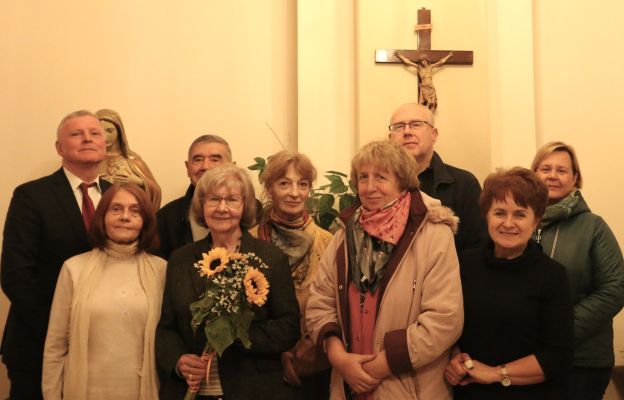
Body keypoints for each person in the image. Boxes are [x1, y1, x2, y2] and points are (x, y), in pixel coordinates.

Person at [306, 140, 463, 399]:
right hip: (349, 385)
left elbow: (445, 319)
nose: (369, 187)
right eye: (363, 177)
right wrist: (340, 358)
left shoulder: (434, 234)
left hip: (409, 388)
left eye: (381, 177)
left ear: (402, 181)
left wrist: (379, 367)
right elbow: (319, 304)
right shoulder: (344, 236)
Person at [156, 164, 301, 399]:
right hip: (193, 391)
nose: (222, 208)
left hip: (253, 390)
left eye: (232, 200)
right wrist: (178, 360)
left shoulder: (271, 258)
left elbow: (289, 327)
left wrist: (233, 333)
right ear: (201, 205)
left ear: (244, 206)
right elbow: (166, 328)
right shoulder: (180, 259)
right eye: (214, 199)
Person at [0, 110, 111, 399]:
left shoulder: (120, 197)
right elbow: (16, 276)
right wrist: (62, 330)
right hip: (38, 343)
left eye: (94, 133)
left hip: (105, 347)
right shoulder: (31, 196)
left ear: (105, 145)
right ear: (59, 148)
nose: (87, 138)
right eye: (76, 134)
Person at [446, 167, 574, 400]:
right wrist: (454, 356)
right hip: (468, 391)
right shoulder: (465, 263)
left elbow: (559, 356)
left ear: (536, 220)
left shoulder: (553, 276)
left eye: (520, 214)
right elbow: (451, 324)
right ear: (486, 216)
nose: (508, 223)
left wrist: (496, 373)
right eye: (499, 212)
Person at [42, 183, 166, 399]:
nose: (124, 217)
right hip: (85, 391)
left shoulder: (161, 270)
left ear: (145, 221)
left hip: (143, 392)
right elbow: (55, 346)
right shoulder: (74, 268)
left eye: (135, 211)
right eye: (116, 209)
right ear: (102, 217)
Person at [530, 141, 624, 400]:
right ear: (533, 175)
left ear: (575, 178)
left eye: (561, 170)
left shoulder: (593, 226)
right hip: (528, 360)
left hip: (582, 361)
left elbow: (616, 288)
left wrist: (562, 328)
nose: (552, 175)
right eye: (545, 168)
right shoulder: (518, 223)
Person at [249, 150, 333, 399]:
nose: (294, 193)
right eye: (284, 183)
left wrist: (312, 345)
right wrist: (279, 352)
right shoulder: (249, 242)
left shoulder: (329, 242)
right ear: (269, 188)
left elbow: (337, 306)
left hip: (316, 366)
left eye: (303, 184)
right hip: (263, 369)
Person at [388, 102, 486, 253]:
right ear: (390, 138)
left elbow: (478, 249)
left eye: (416, 124)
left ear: (434, 134)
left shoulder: (464, 184)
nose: (407, 131)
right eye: (399, 126)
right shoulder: (376, 186)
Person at [156, 134, 232, 259]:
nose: (205, 167)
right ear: (187, 167)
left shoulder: (252, 211)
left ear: (231, 166)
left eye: (215, 159)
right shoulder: (166, 217)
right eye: (198, 160)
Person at [96, 108, 162, 210]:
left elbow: (156, 190)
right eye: (99, 132)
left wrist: (139, 182)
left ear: (119, 131)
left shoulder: (132, 160)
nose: (105, 136)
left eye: (110, 131)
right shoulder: (92, 161)